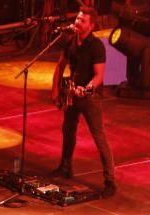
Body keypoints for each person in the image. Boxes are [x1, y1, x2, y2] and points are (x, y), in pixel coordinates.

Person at [50, 5, 117, 198]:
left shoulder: (96, 46)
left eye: (82, 20)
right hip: (72, 94)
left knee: (99, 136)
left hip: (90, 98)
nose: (77, 22)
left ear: (91, 25)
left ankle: (110, 181)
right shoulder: (71, 41)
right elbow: (60, 66)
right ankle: (65, 167)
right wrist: (55, 90)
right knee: (68, 130)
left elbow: (99, 76)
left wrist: (86, 89)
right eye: (77, 18)